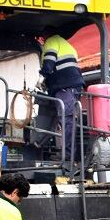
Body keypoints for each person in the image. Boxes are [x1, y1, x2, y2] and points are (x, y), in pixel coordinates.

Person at [36, 34, 85, 168]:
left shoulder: (51, 41)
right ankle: (63, 152)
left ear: (44, 36)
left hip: (64, 87)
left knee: (67, 119)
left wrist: (42, 77)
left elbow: (49, 61)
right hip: (73, 86)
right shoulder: (66, 44)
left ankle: (68, 156)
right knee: (63, 119)